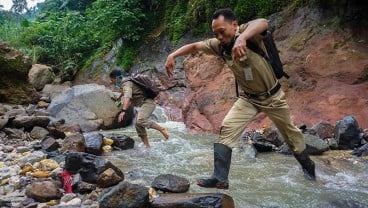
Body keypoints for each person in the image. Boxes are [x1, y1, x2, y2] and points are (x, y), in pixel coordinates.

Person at [165, 8, 316, 189]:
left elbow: (263, 22)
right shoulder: (219, 46)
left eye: (222, 31)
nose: (219, 36)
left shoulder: (247, 33)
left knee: (291, 136)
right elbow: (195, 46)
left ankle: (308, 167)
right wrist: (172, 55)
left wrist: (243, 38)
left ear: (234, 25)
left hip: (273, 97)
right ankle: (220, 178)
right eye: (216, 33)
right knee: (227, 127)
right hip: (248, 99)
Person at [109, 69, 169, 148]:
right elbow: (125, 93)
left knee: (141, 120)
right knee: (138, 124)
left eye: (112, 80)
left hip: (148, 103)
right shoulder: (127, 82)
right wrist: (119, 99)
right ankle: (147, 146)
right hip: (145, 103)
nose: (112, 82)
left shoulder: (126, 84)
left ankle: (162, 129)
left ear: (116, 78)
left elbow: (128, 97)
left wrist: (123, 111)